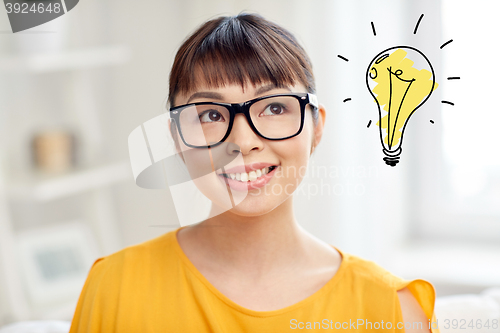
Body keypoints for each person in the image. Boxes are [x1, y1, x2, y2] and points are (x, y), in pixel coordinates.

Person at [69, 13, 439, 332]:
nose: (243, 141)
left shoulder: (394, 309)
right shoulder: (113, 288)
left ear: (317, 128)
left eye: (275, 108)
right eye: (211, 115)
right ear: (177, 140)